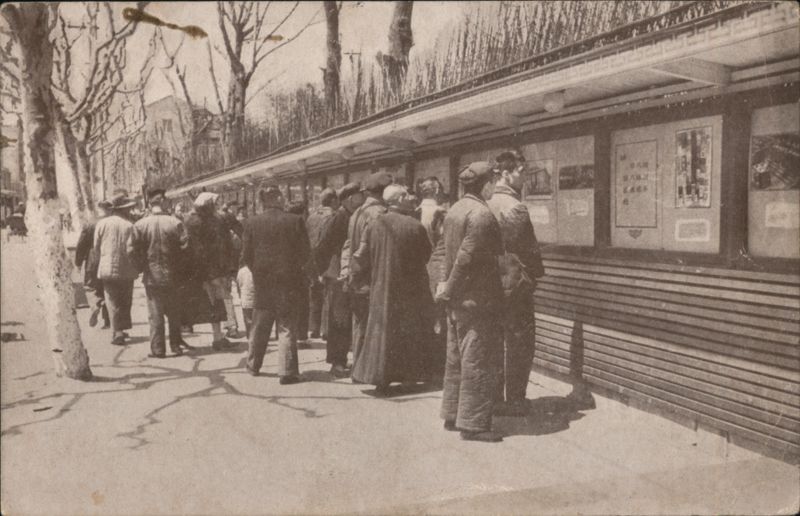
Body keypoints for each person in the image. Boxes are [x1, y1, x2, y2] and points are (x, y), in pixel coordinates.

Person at [435, 161, 505, 443]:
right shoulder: (481, 215)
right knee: (477, 359)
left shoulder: (455, 210)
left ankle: (452, 413)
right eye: (493, 182)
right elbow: (465, 258)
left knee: (455, 359)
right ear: (485, 184)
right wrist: (450, 288)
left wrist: (444, 288)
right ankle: (474, 424)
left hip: (457, 300)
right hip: (477, 299)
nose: (495, 187)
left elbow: (445, 253)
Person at [350, 185, 437, 394]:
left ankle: (380, 377)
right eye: (406, 195)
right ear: (397, 200)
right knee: (408, 332)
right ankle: (409, 375)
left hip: (380, 288)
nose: (410, 197)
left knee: (381, 332)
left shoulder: (373, 224)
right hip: (409, 289)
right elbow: (426, 256)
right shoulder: (415, 227)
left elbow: (360, 255)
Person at [488, 151, 546, 413]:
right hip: (515, 284)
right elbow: (530, 251)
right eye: (521, 172)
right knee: (520, 341)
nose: (524, 177)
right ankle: (516, 399)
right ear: (505, 174)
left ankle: (494, 396)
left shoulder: (485, 203)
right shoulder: (516, 208)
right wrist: (533, 277)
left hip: (490, 284)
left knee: (494, 340)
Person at [242, 186, 311, 384]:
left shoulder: (252, 223)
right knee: (287, 326)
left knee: (259, 326)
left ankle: (253, 365)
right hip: (289, 283)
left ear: (263, 201)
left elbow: (246, 256)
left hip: (263, 283)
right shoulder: (295, 221)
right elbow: (305, 253)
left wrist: (258, 271)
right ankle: (287, 371)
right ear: (279, 198)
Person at [341, 172, 391, 377]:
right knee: (374, 325)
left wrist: (346, 270)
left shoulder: (356, 213)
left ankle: (357, 366)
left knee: (359, 323)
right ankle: (366, 370)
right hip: (371, 276)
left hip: (355, 276)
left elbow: (347, 246)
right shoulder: (380, 214)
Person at [132, 189, 190, 358]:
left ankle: (158, 349)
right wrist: (181, 268)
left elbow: (132, 250)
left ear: (150, 204)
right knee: (174, 311)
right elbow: (186, 247)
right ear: (163, 202)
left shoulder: (140, 225)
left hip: (151, 276)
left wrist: (140, 267)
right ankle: (176, 346)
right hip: (173, 274)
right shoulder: (176, 223)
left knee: (155, 314)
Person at [316, 183, 363, 378]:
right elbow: (322, 246)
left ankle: (345, 359)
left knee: (345, 317)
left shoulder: (351, 215)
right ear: (350, 198)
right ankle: (337, 362)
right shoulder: (339, 217)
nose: (363, 198)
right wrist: (323, 271)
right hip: (337, 275)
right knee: (339, 319)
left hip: (346, 272)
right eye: (360, 196)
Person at [184, 192, 237, 351]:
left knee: (210, 302)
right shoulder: (218, 221)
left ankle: (216, 335)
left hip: (199, 269)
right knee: (223, 300)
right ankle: (221, 334)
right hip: (218, 269)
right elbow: (226, 244)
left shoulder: (190, 221)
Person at [94, 193, 139, 346]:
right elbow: (134, 248)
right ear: (123, 210)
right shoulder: (130, 225)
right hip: (126, 269)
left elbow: (96, 247)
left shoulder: (102, 224)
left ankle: (117, 331)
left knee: (111, 300)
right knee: (125, 300)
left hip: (107, 268)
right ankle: (120, 329)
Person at [417, 177, 448, 381]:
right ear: (436, 190)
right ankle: (437, 368)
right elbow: (444, 245)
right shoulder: (440, 213)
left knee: (424, 318)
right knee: (439, 319)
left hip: (418, 270)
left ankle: (422, 365)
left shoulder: (414, 210)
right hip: (436, 268)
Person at [306, 192, 338, 340]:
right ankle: (326, 330)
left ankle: (313, 328)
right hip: (328, 261)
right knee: (329, 296)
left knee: (314, 294)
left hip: (312, 260)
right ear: (333, 201)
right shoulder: (333, 217)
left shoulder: (312, 216)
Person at [75, 201, 111, 329]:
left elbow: (81, 244)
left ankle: (96, 304)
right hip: (109, 259)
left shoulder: (90, 223)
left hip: (93, 260)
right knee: (107, 288)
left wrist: (78, 262)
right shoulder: (112, 222)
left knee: (91, 287)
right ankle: (108, 321)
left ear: (98, 209)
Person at [287, 201, 312, 348]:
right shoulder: (299, 225)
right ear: (302, 213)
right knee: (302, 304)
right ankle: (301, 337)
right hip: (299, 273)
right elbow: (305, 251)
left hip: (285, 273)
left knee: (289, 305)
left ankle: (290, 335)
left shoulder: (282, 225)